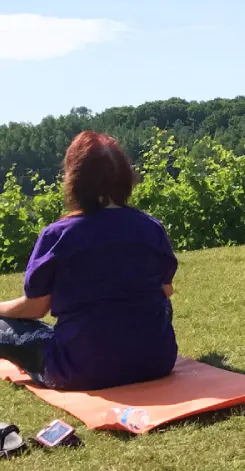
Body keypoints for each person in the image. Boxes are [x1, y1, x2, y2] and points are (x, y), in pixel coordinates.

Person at [0, 131, 178, 391]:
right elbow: (166, 290)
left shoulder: (58, 235)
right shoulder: (150, 228)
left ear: (75, 180)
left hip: (81, 370)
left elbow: (35, 308)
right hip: (156, 362)